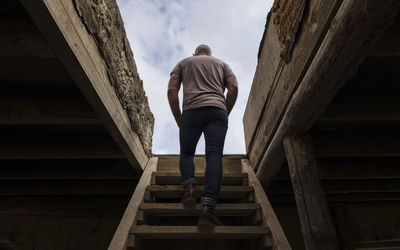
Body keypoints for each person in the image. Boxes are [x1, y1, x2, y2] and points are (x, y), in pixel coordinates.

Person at [167, 44, 238, 227]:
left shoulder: (183, 62)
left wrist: (179, 119)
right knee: (214, 156)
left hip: (191, 111)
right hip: (217, 111)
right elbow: (234, 87)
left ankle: (190, 188)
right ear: (210, 54)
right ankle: (208, 209)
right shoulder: (222, 64)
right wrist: (224, 111)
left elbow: (172, 90)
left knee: (187, 153)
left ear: (195, 53)